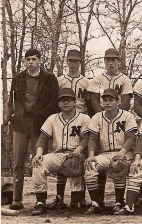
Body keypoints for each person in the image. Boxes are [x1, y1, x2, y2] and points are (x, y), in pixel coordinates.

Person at [7, 48, 60, 211]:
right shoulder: (18, 79)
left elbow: (54, 102)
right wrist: (11, 117)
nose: (31, 62)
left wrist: (42, 116)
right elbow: (12, 101)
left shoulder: (50, 78)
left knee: (39, 161)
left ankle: (40, 200)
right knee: (18, 163)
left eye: (34, 59)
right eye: (28, 59)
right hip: (21, 124)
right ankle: (17, 199)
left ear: (40, 61)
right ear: (24, 61)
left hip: (40, 124)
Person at [31, 88, 90, 215]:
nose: (65, 103)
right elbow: (42, 139)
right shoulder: (52, 118)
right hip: (58, 154)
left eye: (68, 100)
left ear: (75, 102)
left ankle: (76, 201)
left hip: (77, 153)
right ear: (58, 103)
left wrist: (77, 152)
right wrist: (39, 153)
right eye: (62, 100)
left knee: (74, 162)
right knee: (38, 163)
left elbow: (85, 139)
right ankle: (40, 202)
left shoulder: (84, 118)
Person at [84, 88, 138, 215]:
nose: (107, 103)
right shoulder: (97, 117)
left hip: (123, 152)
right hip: (104, 154)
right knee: (90, 166)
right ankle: (96, 203)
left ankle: (119, 202)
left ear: (118, 102)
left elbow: (131, 138)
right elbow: (92, 138)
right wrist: (91, 155)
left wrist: (121, 154)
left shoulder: (127, 116)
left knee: (119, 164)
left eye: (111, 100)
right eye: (105, 100)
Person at [51, 49, 91, 210]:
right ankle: (59, 197)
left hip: (82, 120)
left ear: (80, 62)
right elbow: (55, 103)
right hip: (63, 121)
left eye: (76, 61)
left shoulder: (87, 82)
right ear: (66, 62)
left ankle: (79, 197)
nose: (73, 64)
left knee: (78, 159)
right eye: (70, 61)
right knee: (61, 155)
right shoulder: (60, 80)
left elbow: (89, 104)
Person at [89, 48, 133, 114]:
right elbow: (94, 102)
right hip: (101, 115)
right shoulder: (97, 79)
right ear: (104, 61)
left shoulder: (125, 80)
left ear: (118, 61)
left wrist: (117, 116)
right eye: (108, 60)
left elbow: (126, 103)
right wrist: (103, 116)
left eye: (113, 60)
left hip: (120, 116)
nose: (110, 63)